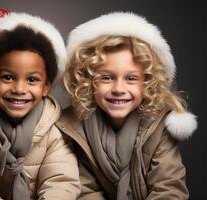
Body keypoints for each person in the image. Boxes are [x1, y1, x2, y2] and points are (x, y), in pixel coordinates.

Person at [57, 12, 197, 200]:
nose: (118, 89)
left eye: (131, 78)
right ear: (87, 80)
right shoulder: (74, 127)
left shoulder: (160, 126)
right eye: (106, 77)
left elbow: (169, 188)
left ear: (148, 82)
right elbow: (84, 189)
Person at [0, 5, 80, 200]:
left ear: (46, 86)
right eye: (8, 77)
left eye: (32, 80)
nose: (19, 89)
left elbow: (61, 182)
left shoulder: (56, 129)